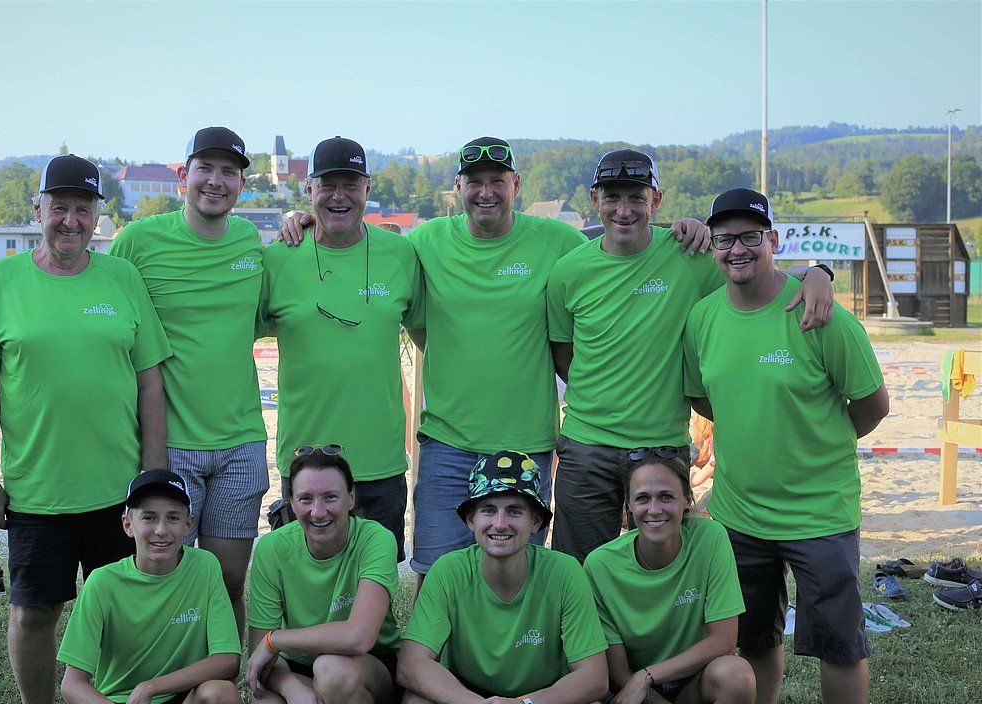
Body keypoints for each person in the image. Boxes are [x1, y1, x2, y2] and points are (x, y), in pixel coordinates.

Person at [282, 137, 703, 585]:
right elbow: (364, 249)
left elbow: (618, 248)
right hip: (447, 441)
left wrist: (684, 229)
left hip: (526, 442)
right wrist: (303, 219)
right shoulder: (424, 242)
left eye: (496, 182)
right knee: (438, 574)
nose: (486, 192)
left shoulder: (559, 241)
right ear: (457, 187)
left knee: (518, 574)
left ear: (516, 184)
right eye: (474, 182)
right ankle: (434, 657)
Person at [0, 154, 170, 704]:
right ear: (39, 211)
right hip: (39, 490)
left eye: (84, 208)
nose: (71, 220)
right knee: (33, 616)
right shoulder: (2, 281)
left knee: (125, 619)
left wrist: (153, 475)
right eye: (60, 207)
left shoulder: (123, 278)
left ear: (97, 214)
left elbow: (149, 378)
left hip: (117, 492)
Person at [683, 188, 889, 704]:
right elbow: (703, 399)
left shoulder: (821, 315)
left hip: (820, 512)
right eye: (726, 240)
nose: (738, 249)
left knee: (839, 644)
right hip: (741, 511)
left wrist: (819, 445)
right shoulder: (704, 317)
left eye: (751, 236)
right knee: (754, 640)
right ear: (715, 248)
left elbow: (873, 405)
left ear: (774, 242)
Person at [548, 149, 836, 563]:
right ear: (595, 199)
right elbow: (564, 354)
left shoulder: (688, 255)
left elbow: (755, 277)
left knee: (664, 570)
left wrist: (815, 272)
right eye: (612, 198)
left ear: (657, 201)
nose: (623, 210)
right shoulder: (569, 271)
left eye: (637, 198)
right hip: (587, 446)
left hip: (661, 444)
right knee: (578, 569)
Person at [109, 127, 267, 643]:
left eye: (228, 172)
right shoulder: (138, 242)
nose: (215, 182)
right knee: (166, 582)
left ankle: (228, 693)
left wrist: (300, 220)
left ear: (242, 183)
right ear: (184, 175)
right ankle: (161, 697)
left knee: (228, 582)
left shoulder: (252, 243)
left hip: (240, 441)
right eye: (205, 169)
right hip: (169, 443)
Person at [399, 451, 610, 704]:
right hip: (469, 702)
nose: (500, 524)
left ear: (537, 522)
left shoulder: (565, 571)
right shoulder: (449, 570)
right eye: (487, 510)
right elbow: (411, 664)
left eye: (515, 511)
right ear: (470, 520)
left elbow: (594, 676)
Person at [259, 136, 421, 560]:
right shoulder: (278, 259)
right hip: (306, 463)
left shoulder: (401, 255)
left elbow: (432, 336)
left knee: (379, 594)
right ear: (308, 191)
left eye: (351, 184)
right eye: (326, 184)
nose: (338, 196)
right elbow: (231, 338)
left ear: (368, 189)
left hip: (380, 461)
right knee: (304, 590)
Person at [58, 469, 242, 704]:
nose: (161, 530)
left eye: (173, 518)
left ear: (189, 526)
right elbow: (73, 684)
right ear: (128, 524)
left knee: (224, 698)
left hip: (182, 703)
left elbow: (228, 661)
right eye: (149, 518)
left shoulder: (205, 566)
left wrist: (151, 687)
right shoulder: (102, 582)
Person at [582, 448, 753, 704]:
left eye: (666, 497)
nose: (654, 509)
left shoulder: (711, 538)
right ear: (628, 506)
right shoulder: (600, 566)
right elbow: (618, 674)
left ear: (688, 500)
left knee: (736, 674)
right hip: (632, 695)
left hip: (686, 681)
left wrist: (649, 676)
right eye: (642, 499)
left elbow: (723, 640)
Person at [245, 447, 401, 704]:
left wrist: (277, 641)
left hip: (374, 677)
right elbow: (260, 648)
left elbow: (359, 637)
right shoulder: (272, 550)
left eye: (330, 497)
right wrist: (291, 688)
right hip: (306, 671)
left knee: (333, 670)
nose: (318, 512)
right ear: (290, 501)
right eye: (305, 499)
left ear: (351, 497)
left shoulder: (376, 538)